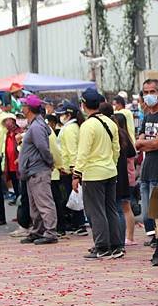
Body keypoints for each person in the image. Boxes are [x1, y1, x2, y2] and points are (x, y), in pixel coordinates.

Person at [73, 88, 122, 259]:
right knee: (111, 209)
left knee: (96, 211)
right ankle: (116, 246)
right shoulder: (110, 122)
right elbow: (116, 149)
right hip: (110, 170)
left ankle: (102, 246)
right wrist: (111, 164)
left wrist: (76, 174)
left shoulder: (88, 126)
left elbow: (83, 153)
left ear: (84, 105)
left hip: (93, 174)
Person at [135, 79, 158, 252]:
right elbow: (139, 140)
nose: (148, 95)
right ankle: (154, 239)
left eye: (152, 91)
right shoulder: (147, 115)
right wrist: (144, 142)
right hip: (146, 169)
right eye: (145, 92)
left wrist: (144, 142)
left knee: (156, 211)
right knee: (145, 213)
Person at [18, 95, 59, 245]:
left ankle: (50, 232)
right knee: (35, 205)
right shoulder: (35, 125)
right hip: (33, 170)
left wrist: (49, 161)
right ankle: (38, 231)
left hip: (38, 170)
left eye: (24, 106)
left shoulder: (36, 127)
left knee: (44, 202)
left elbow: (43, 147)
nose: (22, 108)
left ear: (29, 109)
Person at [55, 102, 87, 236]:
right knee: (74, 196)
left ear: (68, 115)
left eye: (62, 114)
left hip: (69, 169)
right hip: (70, 168)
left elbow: (72, 151)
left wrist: (73, 171)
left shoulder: (69, 129)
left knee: (72, 196)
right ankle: (77, 223)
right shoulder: (73, 127)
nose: (60, 117)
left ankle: (78, 223)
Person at [112, 113, 137, 248]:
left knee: (124, 207)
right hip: (127, 177)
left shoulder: (120, 135)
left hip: (125, 177)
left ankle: (129, 237)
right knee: (125, 207)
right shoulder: (126, 135)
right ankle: (128, 236)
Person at [3, 114, 21, 205]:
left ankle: (20, 200)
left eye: (7, 120)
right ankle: (17, 197)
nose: (6, 123)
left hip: (17, 163)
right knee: (14, 182)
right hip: (10, 163)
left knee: (19, 183)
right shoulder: (7, 134)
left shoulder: (18, 132)